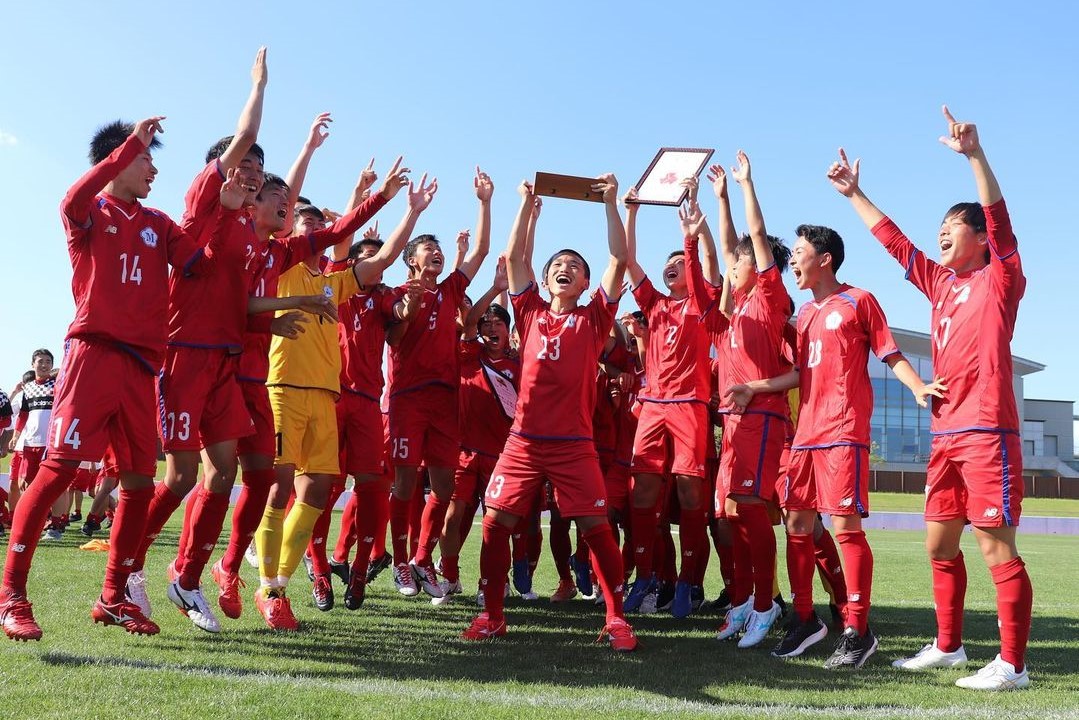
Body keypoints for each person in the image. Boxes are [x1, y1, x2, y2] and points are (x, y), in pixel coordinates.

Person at [0, 116, 250, 641]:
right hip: (92, 356)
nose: (154, 166)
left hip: (142, 367)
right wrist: (128, 144)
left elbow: (197, 266)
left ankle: (113, 596)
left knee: (138, 483)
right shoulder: (89, 211)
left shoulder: (157, 223)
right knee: (59, 470)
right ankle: (12, 595)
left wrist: (225, 218)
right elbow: (72, 196)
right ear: (118, 158)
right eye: (145, 157)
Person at [828, 106, 1032, 690]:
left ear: (979, 238)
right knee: (939, 542)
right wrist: (854, 194)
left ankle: (1012, 665)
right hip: (945, 434)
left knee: (995, 546)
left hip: (988, 430)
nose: (941, 231)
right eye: (939, 224)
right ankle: (949, 646)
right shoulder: (941, 283)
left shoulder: (1000, 279)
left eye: (952, 225)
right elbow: (894, 243)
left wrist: (974, 156)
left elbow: (999, 218)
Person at [728, 223, 944, 668]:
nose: (792, 261)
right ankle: (805, 620)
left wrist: (918, 386)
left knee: (845, 529)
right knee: (797, 526)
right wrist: (754, 385)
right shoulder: (804, 316)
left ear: (824, 259)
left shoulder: (859, 300)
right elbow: (800, 375)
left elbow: (890, 353)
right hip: (804, 436)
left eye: (800, 252)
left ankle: (858, 630)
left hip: (844, 431)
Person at [253, 164, 435, 630]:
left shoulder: (337, 282)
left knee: (315, 494)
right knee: (276, 489)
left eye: (319, 222)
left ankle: (279, 585)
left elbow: (385, 258)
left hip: (326, 397)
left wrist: (409, 212)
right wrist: (315, 154)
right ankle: (262, 580)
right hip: (283, 389)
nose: (314, 227)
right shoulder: (283, 263)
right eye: (305, 222)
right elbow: (307, 216)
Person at [462, 176, 637, 652]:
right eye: (558, 264)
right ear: (545, 279)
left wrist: (609, 205)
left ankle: (617, 619)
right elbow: (516, 256)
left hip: (574, 445)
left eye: (574, 266)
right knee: (496, 522)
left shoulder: (595, 317)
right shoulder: (531, 311)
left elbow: (618, 259)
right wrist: (522, 205)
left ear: (584, 283)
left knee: (596, 529)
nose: (566, 268)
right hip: (522, 441)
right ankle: (493, 615)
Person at [386, 168, 492, 598]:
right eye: (430, 248)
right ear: (412, 258)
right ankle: (399, 564)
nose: (438, 254)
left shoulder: (450, 291)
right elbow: (393, 338)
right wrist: (408, 309)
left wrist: (485, 202)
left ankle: (420, 557)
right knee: (406, 483)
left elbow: (481, 250)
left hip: (446, 402)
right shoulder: (397, 292)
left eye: (440, 250)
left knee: (446, 489)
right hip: (409, 401)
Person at [704, 152, 793, 649]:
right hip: (733, 421)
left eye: (740, 263)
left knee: (750, 509)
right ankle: (743, 602)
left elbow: (754, 239)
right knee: (729, 516)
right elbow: (728, 243)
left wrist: (744, 186)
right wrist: (718, 200)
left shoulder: (769, 295)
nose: (731, 266)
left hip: (761, 417)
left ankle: (766, 606)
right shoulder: (734, 312)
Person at [621, 181, 716, 620]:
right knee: (642, 493)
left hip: (690, 405)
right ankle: (646, 576)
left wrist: (690, 239)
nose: (674, 268)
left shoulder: (701, 304)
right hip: (654, 406)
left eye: (681, 264)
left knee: (691, 492)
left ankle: (689, 582)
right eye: (670, 265)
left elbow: (705, 273)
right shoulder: (654, 305)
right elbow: (626, 259)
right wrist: (633, 211)